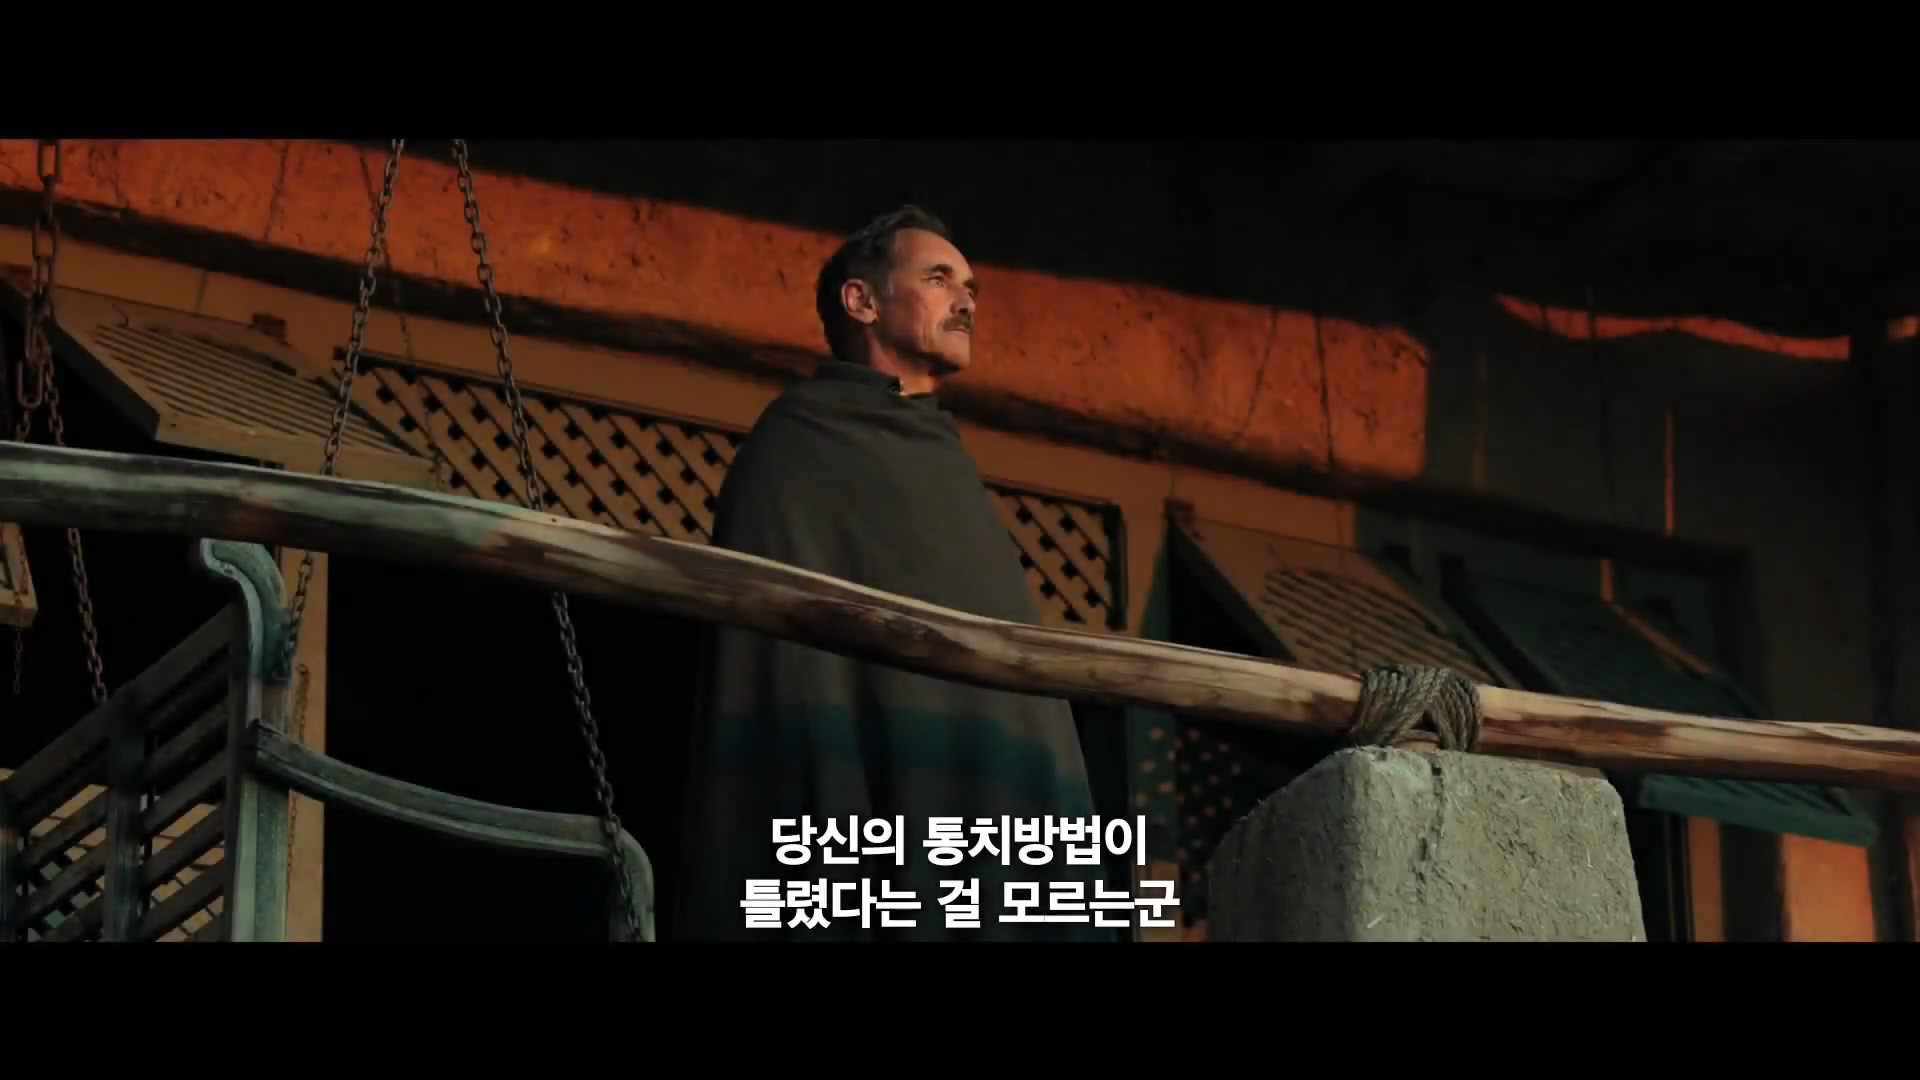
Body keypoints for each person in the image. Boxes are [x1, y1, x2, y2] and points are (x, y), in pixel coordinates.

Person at [674, 206, 1108, 941]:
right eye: (938, 279)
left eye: (969, 287)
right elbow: (779, 672)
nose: (965, 301)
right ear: (862, 301)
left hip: (979, 819)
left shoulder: (945, 463)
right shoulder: (795, 450)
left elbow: (1018, 697)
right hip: (861, 808)